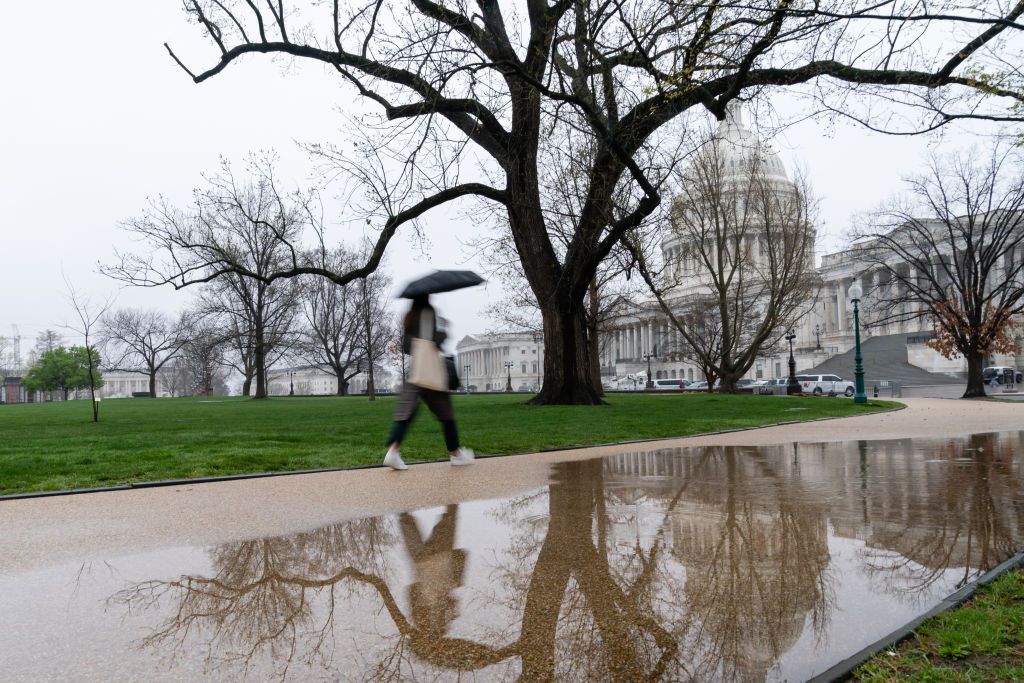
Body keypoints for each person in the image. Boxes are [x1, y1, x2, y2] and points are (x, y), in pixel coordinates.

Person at [383, 295, 474, 470]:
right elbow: (437, 341)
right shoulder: (429, 314)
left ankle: (393, 452)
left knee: (405, 414)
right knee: (446, 414)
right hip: (431, 371)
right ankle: (456, 454)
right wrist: (444, 328)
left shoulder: (409, 317)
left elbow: (406, 347)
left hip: (415, 370)